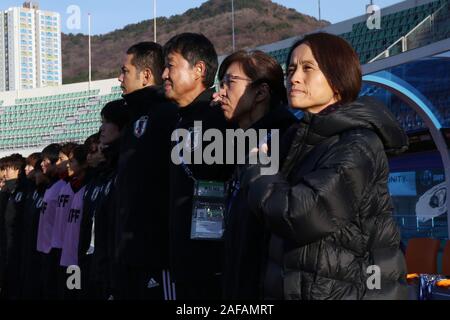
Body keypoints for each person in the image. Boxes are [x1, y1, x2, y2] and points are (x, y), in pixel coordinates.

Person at [240, 32, 409, 300]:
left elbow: (301, 213)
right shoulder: (301, 140)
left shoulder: (358, 143)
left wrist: (259, 170)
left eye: (308, 68)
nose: (294, 77)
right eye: (292, 69)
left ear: (337, 80)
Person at [213, 50, 298, 299]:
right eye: (221, 84)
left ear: (261, 92)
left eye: (230, 82)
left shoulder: (288, 140)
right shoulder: (237, 143)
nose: (221, 93)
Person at [162, 33, 233, 299]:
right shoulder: (180, 121)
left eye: (170, 65)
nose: (164, 75)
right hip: (182, 260)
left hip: (212, 265)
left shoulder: (219, 119)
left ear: (199, 70)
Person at [115, 42, 178, 300]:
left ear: (145, 76)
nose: (119, 78)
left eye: (124, 71)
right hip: (132, 251)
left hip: (157, 255)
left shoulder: (167, 114)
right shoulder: (134, 118)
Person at [79, 100, 128, 300]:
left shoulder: (123, 170)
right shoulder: (103, 176)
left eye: (106, 122)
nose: (101, 128)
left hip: (117, 270)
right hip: (98, 265)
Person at [0, 154, 27, 299]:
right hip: (7, 246)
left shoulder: (19, 191)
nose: (5, 173)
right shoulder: (8, 191)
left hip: (15, 247)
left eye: (7, 169)